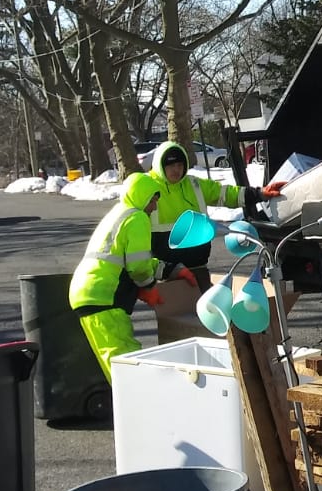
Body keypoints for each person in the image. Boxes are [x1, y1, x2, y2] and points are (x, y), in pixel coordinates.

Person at [68, 172, 167, 381]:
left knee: (113, 365)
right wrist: (149, 287)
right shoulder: (137, 217)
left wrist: (167, 269)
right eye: (152, 200)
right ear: (141, 196)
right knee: (127, 364)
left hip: (86, 292)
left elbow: (122, 259)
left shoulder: (118, 213)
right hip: (104, 296)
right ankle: (138, 402)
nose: (154, 207)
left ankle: (127, 400)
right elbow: (138, 266)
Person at [146, 140, 241, 281]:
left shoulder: (194, 184)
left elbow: (225, 193)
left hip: (198, 267)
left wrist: (258, 194)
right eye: (171, 165)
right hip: (165, 273)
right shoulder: (147, 187)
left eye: (179, 165)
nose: (176, 170)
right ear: (161, 166)